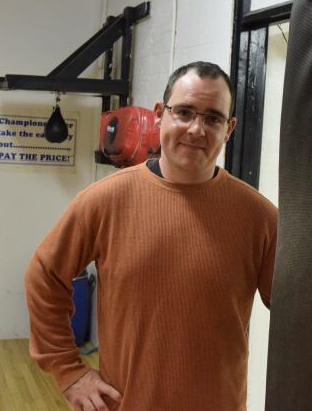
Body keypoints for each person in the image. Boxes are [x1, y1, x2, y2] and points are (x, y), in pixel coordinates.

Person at [25, 61, 278, 411]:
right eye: (185, 112)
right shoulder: (105, 200)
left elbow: (301, 312)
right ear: (160, 114)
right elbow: (44, 275)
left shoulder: (259, 217)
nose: (196, 129)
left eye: (213, 118)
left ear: (229, 128)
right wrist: (69, 372)